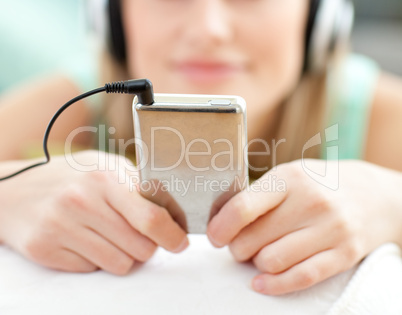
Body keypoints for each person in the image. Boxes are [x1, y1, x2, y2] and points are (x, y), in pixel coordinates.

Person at [0, 0, 402, 297]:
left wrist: (391, 203)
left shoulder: (377, 115)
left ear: (319, 16)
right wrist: (7, 195)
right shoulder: (75, 102)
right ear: (112, 17)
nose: (209, 30)